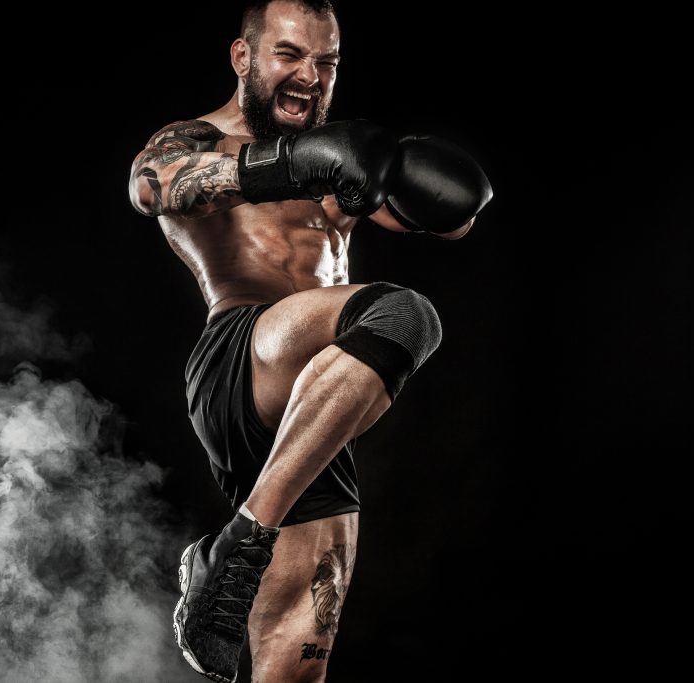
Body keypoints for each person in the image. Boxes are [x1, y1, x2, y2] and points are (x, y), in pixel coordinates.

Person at [127, 1, 492, 681]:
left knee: (297, 660)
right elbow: (151, 187)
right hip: (245, 354)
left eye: (326, 62)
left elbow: (452, 220)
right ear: (244, 58)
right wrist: (289, 162)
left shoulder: (340, 159)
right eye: (290, 55)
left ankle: (235, 553)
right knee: (402, 316)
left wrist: (423, 177)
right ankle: (242, 539)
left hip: (318, 409)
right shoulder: (199, 139)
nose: (310, 76)